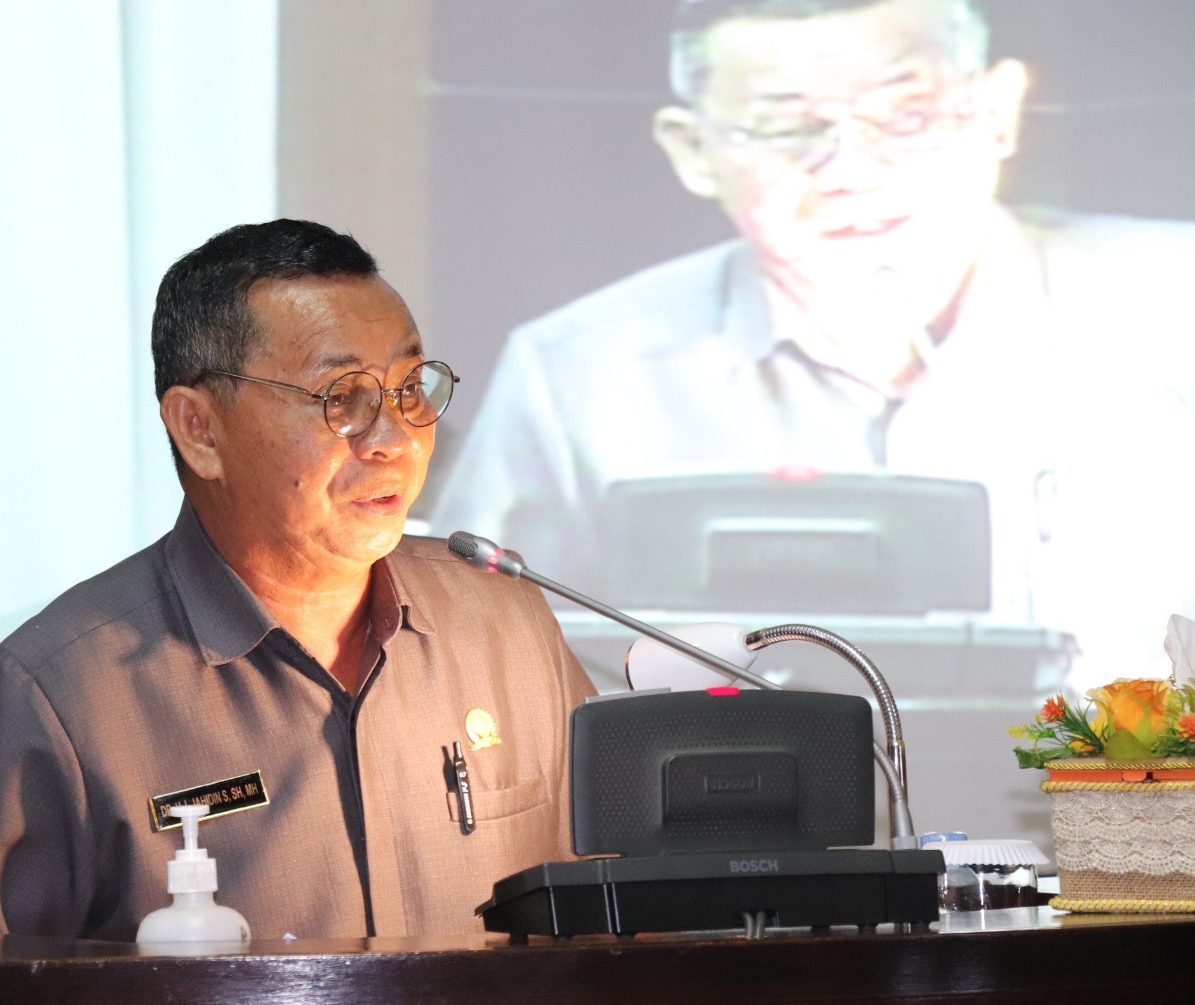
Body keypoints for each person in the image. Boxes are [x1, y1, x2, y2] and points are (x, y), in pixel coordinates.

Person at [430, 0, 1195, 682]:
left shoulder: (1176, 304)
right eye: (786, 128)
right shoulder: (579, 374)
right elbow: (485, 662)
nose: (851, 169)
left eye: (907, 116)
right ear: (693, 149)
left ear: (997, 112)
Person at [0, 220, 594, 941]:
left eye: (411, 387)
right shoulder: (59, 693)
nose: (394, 440)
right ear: (200, 430)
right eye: (342, 398)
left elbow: (613, 911)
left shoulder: (507, 623)